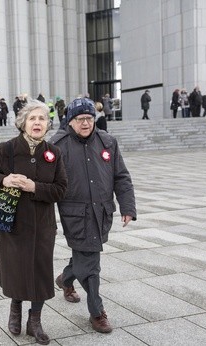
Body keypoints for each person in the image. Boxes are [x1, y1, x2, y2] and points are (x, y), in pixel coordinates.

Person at [0, 100, 68, 345]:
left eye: (42, 119)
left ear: (48, 124)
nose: (37, 122)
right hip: (14, 225)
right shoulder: (6, 149)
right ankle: (15, 310)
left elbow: (61, 189)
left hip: (43, 226)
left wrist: (34, 187)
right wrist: (4, 180)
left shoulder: (54, 153)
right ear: (23, 123)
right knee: (16, 270)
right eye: (32, 118)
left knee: (40, 272)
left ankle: (34, 321)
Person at [49, 97, 137, 334]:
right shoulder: (58, 144)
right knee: (91, 264)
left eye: (89, 118)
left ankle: (66, 279)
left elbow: (121, 176)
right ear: (70, 121)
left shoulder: (107, 141)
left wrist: (127, 206)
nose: (86, 123)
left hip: (102, 211)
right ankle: (97, 313)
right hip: (74, 214)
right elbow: (47, 182)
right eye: (80, 119)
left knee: (84, 255)